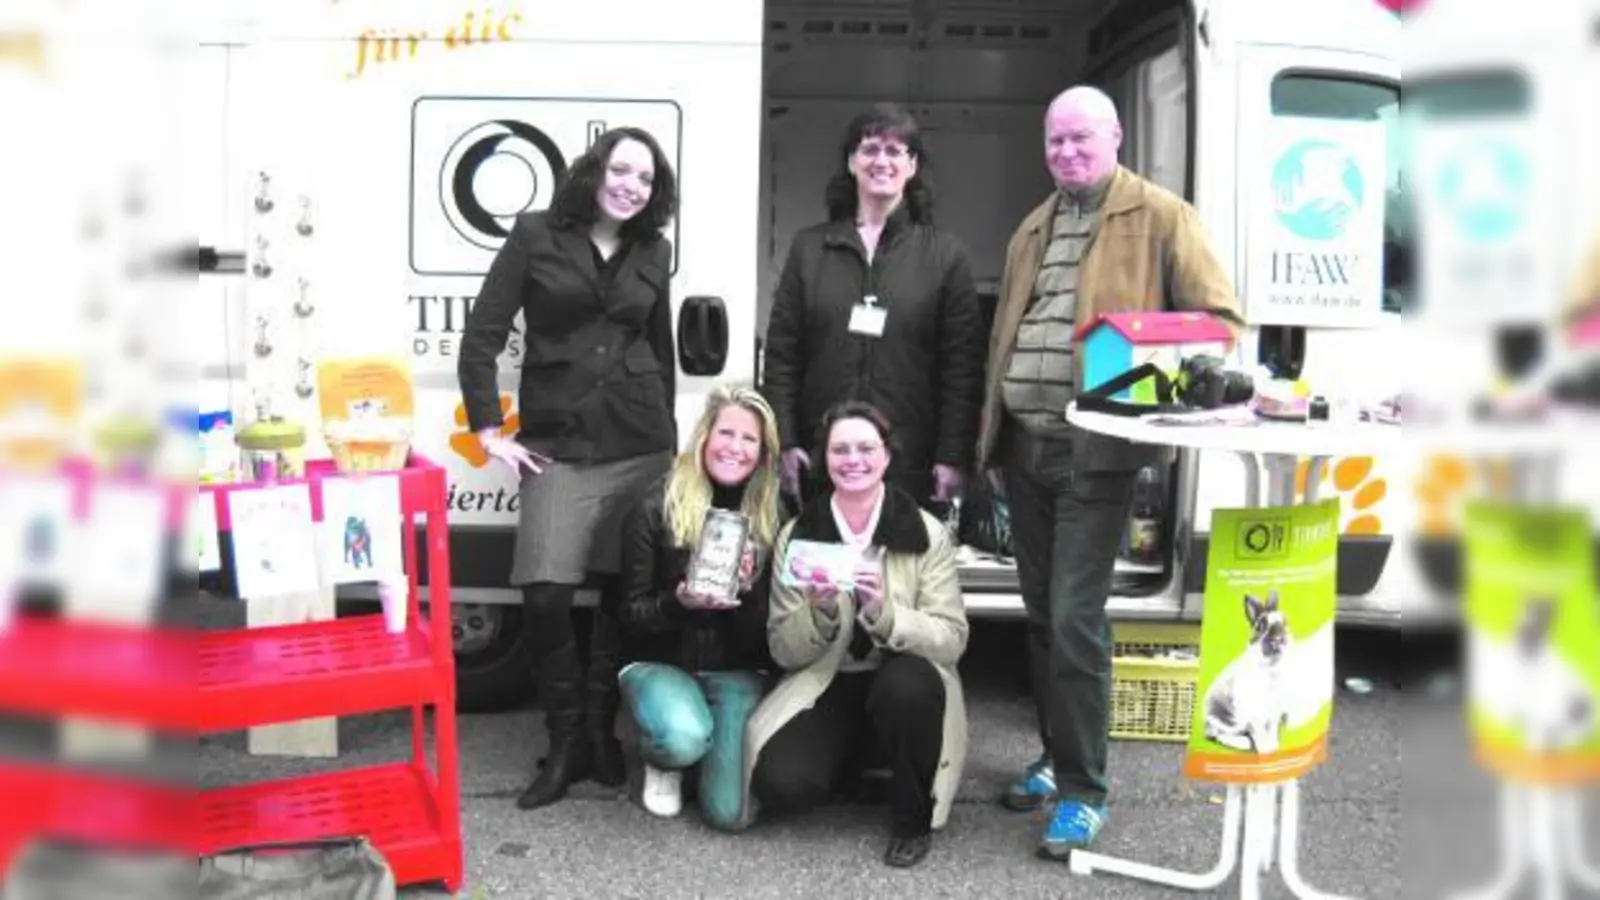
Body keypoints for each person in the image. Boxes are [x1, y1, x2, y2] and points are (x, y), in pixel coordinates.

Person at [975, 86, 1244, 857]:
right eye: (1055, 140)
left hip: (1095, 453)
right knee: (1040, 617)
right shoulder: (1034, 224)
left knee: (1075, 619)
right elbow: (1009, 335)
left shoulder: (1162, 215)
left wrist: (1153, 362)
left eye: (1080, 139)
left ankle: (1086, 792)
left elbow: (1219, 322)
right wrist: (990, 439)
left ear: (1116, 136)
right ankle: (1059, 760)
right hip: (1023, 447)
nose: (1066, 153)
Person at [457, 126, 681, 810]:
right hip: (559, 438)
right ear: (595, 170)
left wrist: (672, 438)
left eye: (645, 178)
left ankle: (601, 735)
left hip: (641, 440)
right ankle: (563, 742)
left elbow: (659, 345)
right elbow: (483, 335)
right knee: (546, 592)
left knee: (623, 594)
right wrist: (488, 429)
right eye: (621, 170)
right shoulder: (534, 235)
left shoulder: (654, 249)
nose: (630, 185)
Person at [740, 401, 969, 869]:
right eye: (840, 449)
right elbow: (784, 650)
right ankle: (853, 763)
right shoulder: (799, 534)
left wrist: (884, 613)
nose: (854, 460)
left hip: (900, 677)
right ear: (826, 459)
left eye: (867, 448)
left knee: (906, 686)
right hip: (831, 675)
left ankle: (911, 820)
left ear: (887, 456)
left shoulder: (926, 532)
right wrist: (821, 610)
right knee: (782, 783)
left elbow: (951, 639)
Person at [760, 103, 984, 514]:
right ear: (851, 162)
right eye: (870, 149)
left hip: (909, 461)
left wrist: (953, 455)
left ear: (912, 166)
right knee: (821, 573)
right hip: (822, 456)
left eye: (895, 151)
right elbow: (782, 358)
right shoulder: (809, 249)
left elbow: (962, 370)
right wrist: (786, 443)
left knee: (899, 573)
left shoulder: (945, 256)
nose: (882, 160)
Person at [611, 384, 783, 829]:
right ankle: (664, 757)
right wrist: (679, 602)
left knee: (729, 815)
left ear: (763, 454)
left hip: (735, 672)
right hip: (662, 661)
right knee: (683, 737)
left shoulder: (773, 515)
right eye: (726, 433)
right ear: (704, 436)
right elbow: (628, 616)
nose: (735, 448)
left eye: (750, 439)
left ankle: (708, 752)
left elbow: (770, 638)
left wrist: (748, 594)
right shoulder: (654, 506)